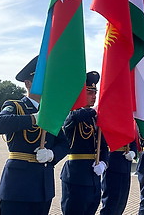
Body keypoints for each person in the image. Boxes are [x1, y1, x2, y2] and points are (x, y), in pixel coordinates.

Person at [0, 56, 69, 215]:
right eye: (41, 80)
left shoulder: (50, 113)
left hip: (43, 185)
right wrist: (34, 118)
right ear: (28, 83)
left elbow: (64, 144)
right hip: (18, 185)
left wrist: (52, 154)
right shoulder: (15, 105)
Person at [60, 71, 109, 215]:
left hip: (93, 178)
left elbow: (104, 146)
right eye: (89, 92)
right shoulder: (71, 114)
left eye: (95, 92)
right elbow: (74, 117)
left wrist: (104, 163)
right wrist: (97, 110)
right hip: (76, 178)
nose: (94, 96)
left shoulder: (95, 118)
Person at [100, 139, 137, 215]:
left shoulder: (130, 126)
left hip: (126, 164)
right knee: (110, 203)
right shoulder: (109, 126)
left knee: (121, 202)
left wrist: (133, 151)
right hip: (113, 164)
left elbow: (133, 139)